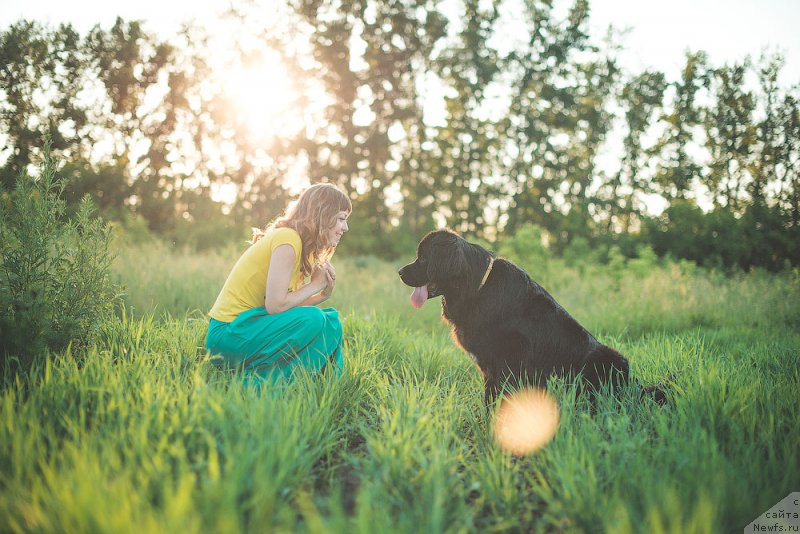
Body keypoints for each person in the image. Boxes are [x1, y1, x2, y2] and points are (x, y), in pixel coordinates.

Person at [205, 183, 351, 383]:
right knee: (314, 318)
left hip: (251, 327)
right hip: (227, 336)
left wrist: (322, 296)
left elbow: (284, 308)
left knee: (330, 320)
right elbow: (275, 306)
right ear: (323, 215)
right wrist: (314, 285)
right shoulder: (288, 240)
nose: (345, 227)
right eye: (342, 219)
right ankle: (257, 384)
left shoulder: (302, 249)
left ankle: (326, 384)